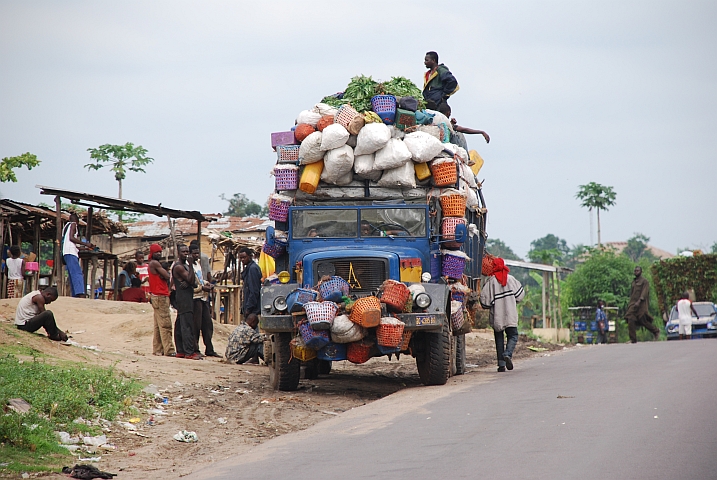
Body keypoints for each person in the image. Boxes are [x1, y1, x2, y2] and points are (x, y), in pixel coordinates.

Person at [480, 257, 525, 372]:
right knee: (513, 336)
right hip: (510, 314)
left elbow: (484, 302)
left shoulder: (490, 282)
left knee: (499, 338)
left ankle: (501, 365)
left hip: (497, 316)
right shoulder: (511, 279)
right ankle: (508, 354)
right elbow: (520, 295)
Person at [189, 242, 219, 357]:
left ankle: (209, 349)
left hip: (203, 297)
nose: (197, 255)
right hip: (195, 298)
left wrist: (208, 284)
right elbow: (193, 283)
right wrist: (203, 287)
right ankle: (195, 349)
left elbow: (201, 279)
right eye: (194, 253)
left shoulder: (198, 264)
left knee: (207, 324)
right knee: (196, 325)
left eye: (197, 253)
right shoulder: (189, 265)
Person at [173, 244, 201, 360]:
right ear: (179, 253)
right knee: (187, 325)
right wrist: (189, 277)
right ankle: (189, 352)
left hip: (187, 296)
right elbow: (191, 279)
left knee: (180, 323)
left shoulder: (185, 266)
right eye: (183, 252)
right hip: (183, 298)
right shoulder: (179, 266)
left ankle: (180, 350)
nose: (186, 254)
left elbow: (193, 283)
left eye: (186, 251)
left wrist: (189, 280)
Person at [147, 243, 176, 357]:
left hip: (156, 296)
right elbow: (167, 276)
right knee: (165, 324)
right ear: (152, 253)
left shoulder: (152, 264)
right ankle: (169, 350)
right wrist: (164, 272)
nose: (159, 253)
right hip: (160, 296)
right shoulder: (155, 263)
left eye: (160, 252)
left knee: (158, 325)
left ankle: (158, 349)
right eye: (157, 252)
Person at [62, 212, 94, 297]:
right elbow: (71, 238)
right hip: (70, 253)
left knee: (72, 274)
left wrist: (85, 248)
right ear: (77, 221)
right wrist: (86, 244)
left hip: (67, 253)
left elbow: (71, 243)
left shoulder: (66, 227)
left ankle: (75, 294)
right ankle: (80, 293)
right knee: (77, 273)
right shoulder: (73, 225)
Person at [626, 266, 660, 343]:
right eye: (635, 270)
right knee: (630, 319)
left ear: (641, 272)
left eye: (637, 270)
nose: (636, 272)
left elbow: (644, 292)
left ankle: (656, 331)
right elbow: (632, 294)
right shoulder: (634, 282)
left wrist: (639, 301)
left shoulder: (645, 281)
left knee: (642, 321)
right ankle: (633, 339)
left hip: (641, 305)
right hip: (633, 304)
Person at [239, 247, 262, 320]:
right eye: (241, 258)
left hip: (253, 309)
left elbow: (254, 290)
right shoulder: (249, 268)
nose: (242, 260)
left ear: (250, 256)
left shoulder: (252, 269)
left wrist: (249, 308)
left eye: (244, 257)